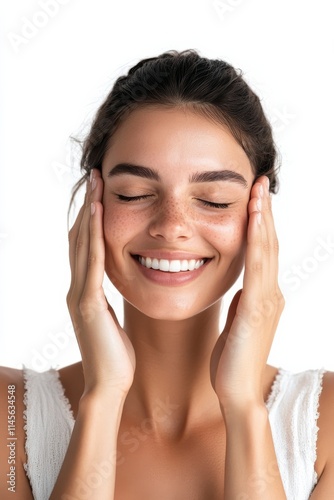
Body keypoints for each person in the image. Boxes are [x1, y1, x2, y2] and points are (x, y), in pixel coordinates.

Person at [0, 49, 333, 500]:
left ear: (261, 214)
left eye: (214, 199)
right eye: (135, 193)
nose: (172, 225)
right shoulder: (11, 415)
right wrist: (102, 397)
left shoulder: (324, 423)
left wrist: (244, 409)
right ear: (91, 204)